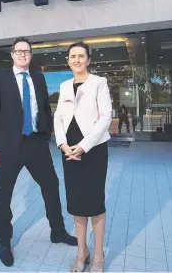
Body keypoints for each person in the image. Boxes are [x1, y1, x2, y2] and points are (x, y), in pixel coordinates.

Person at [0, 37, 78, 267]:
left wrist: (47, 136)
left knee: (51, 184)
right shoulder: (0, 78)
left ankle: (57, 231)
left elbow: (45, 107)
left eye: (26, 51)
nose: (23, 54)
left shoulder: (38, 77)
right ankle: (5, 241)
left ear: (31, 55)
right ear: (12, 55)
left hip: (36, 143)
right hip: (10, 145)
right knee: (5, 192)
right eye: (19, 51)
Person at [54, 42, 112, 272]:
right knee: (77, 203)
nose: (77, 60)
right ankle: (82, 252)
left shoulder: (99, 82)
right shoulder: (64, 85)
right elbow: (58, 116)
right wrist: (62, 144)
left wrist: (84, 146)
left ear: (89, 59)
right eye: (72, 56)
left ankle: (97, 257)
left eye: (81, 56)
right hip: (69, 152)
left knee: (95, 204)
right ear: (68, 61)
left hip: (93, 150)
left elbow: (106, 117)